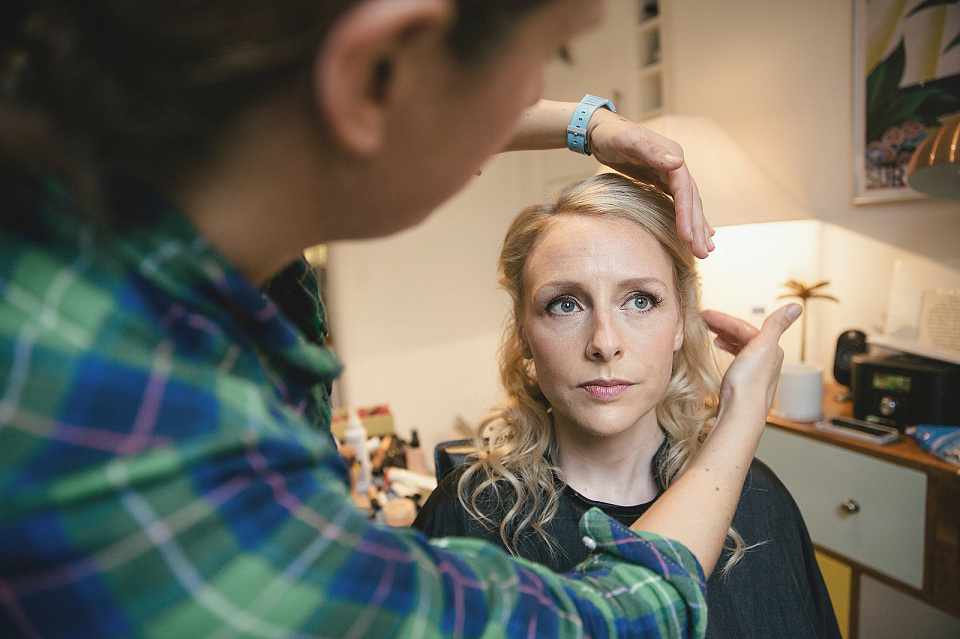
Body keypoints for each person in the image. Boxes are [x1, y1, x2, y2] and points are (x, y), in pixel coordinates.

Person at [0, 1, 799, 637]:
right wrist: (739, 420)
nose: (603, 338)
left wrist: (588, 125)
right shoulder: (121, 430)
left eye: (641, 298)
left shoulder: (79, 229)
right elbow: (614, 622)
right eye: (546, 58)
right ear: (381, 69)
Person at [414, 173, 841, 639]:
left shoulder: (758, 495)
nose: (604, 343)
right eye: (564, 304)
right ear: (524, 334)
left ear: (681, 321)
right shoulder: (465, 514)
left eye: (640, 300)